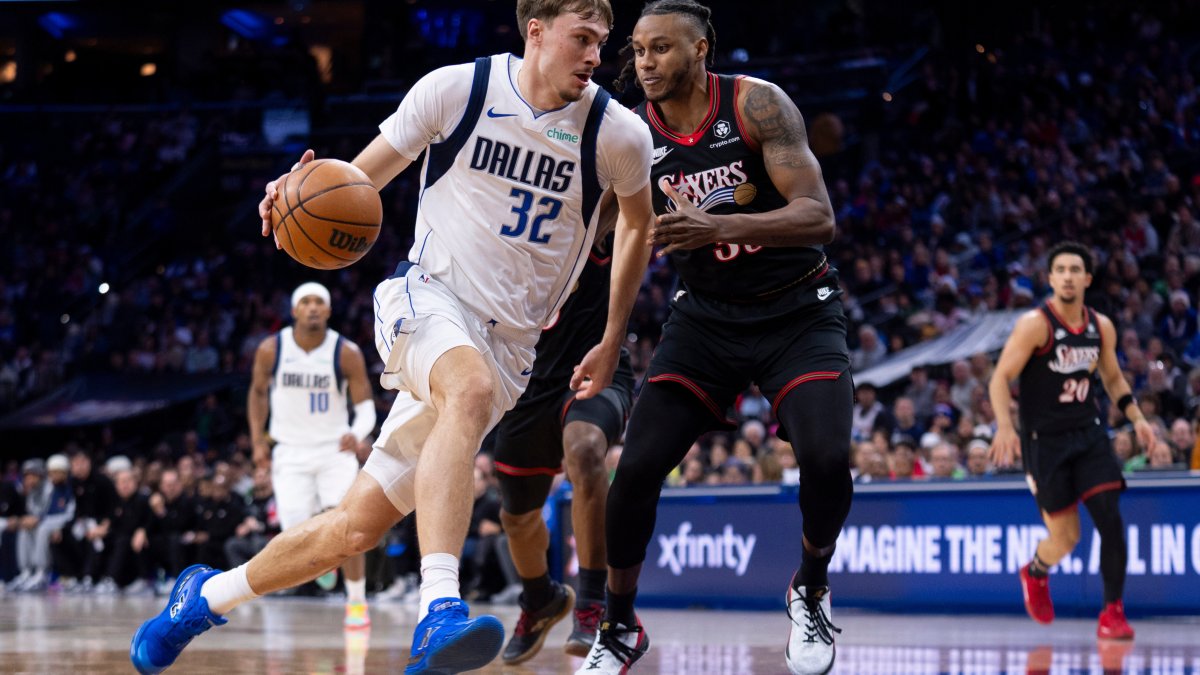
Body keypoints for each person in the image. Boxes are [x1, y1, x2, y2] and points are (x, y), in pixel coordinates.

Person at [130, 0, 655, 672]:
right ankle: (439, 611)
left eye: (601, 42)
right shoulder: (456, 90)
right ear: (536, 31)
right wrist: (295, 191)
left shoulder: (616, 134)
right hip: (425, 299)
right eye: (582, 39)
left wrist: (612, 337)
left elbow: (638, 225)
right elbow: (358, 182)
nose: (594, 56)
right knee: (465, 388)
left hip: (513, 347)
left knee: (353, 527)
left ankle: (202, 596)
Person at [582, 2, 854, 673]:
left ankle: (810, 587)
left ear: (701, 49)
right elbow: (617, 239)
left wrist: (722, 227)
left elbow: (820, 217)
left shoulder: (758, 106)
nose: (646, 63)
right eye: (639, 50)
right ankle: (619, 624)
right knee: (635, 470)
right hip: (704, 318)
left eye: (662, 49)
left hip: (797, 311)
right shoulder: (630, 133)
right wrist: (610, 335)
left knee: (826, 459)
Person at [988, 241, 1153, 641]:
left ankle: (1112, 613)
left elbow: (1112, 378)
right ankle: (1036, 571)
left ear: (1087, 278)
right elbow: (999, 378)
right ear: (1050, 278)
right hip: (1044, 442)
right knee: (1066, 538)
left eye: (1074, 269)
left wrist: (1138, 418)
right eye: (1059, 269)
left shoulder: (1101, 326)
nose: (1066, 276)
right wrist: (1005, 427)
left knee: (1111, 522)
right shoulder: (1035, 324)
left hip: (1089, 434)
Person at [490, 234, 636, 665]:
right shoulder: (499, 234)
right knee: (517, 517)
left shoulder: (595, 211)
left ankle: (593, 602)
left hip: (594, 367)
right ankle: (540, 599)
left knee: (587, 449)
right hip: (526, 385)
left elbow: (626, 199)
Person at [248, 281, 377, 629]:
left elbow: (365, 406)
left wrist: (358, 432)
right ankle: (326, 561)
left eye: (319, 301)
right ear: (294, 310)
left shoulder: (346, 351)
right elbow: (258, 394)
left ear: (329, 310)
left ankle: (356, 602)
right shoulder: (271, 350)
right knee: (296, 535)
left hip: (334, 450)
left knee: (350, 527)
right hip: (289, 451)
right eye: (305, 302)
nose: (313, 307)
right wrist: (259, 442)